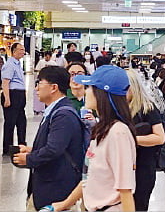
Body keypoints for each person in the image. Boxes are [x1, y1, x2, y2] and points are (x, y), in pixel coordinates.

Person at [49, 65, 136, 212]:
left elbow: (125, 190)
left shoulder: (118, 133)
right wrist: (64, 204)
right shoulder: (102, 129)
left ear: (102, 93)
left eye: (90, 87)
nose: (86, 90)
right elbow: (89, 178)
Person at [13, 66, 88, 211]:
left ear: (53, 87)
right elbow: (57, 143)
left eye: (40, 83)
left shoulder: (63, 115)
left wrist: (29, 159)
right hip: (47, 185)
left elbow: (54, 149)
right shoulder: (54, 111)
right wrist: (31, 150)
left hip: (56, 190)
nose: (36, 88)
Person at [126, 70, 165, 211]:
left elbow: (160, 137)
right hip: (125, 166)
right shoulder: (119, 108)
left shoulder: (147, 108)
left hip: (143, 166)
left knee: (139, 205)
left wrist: (132, 139)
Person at [0, 43, 27, 156]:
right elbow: (5, 82)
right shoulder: (10, 64)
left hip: (19, 95)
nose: (23, 52)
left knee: (21, 122)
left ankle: (22, 145)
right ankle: (7, 148)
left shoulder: (18, 64)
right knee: (10, 123)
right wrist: (7, 98)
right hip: (12, 94)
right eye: (21, 49)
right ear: (14, 51)